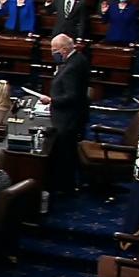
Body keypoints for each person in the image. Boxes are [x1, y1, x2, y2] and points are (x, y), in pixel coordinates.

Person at [41, 34, 90, 193]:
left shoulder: (72, 66)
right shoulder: (78, 59)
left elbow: (71, 96)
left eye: (54, 49)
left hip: (67, 119)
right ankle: (67, 183)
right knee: (67, 151)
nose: (52, 52)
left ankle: (65, 186)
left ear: (63, 49)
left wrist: (51, 100)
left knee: (65, 152)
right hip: (72, 116)